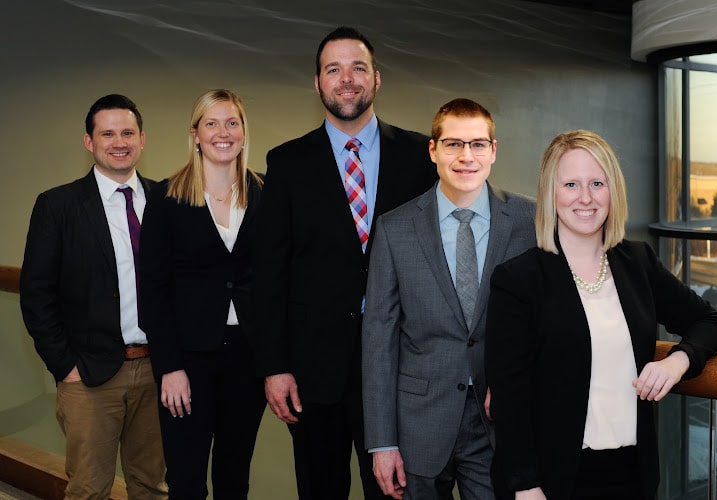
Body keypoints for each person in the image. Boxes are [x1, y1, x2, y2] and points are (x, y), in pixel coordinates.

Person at [485, 129, 717, 500]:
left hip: (633, 475)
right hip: (550, 481)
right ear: (550, 193)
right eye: (571, 184)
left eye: (597, 183)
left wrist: (677, 362)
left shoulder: (637, 261)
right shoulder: (518, 279)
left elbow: (710, 322)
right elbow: (508, 397)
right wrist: (526, 486)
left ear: (613, 191)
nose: (585, 197)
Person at [253, 26, 438, 500]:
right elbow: (270, 273)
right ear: (317, 83)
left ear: (377, 78)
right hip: (315, 370)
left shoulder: (421, 158)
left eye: (358, 67)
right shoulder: (287, 163)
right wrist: (275, 366)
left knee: (397, 492)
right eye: (333, 69)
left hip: (402, 365)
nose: (347, 79)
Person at [361, 98, 537, 500]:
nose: (466, 156)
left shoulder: (530, 222)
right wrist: (382, 443)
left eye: (477, 144)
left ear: (493, 150)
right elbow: (379, 339)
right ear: (433, 150)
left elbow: (543, 321)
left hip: (497, 421)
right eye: (453, 144)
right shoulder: (395, 228)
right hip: (418, 424)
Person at [19, 94, 167, 499]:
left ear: (142, 140)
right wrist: (65, 366)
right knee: (89, 490)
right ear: (89, 142)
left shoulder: (165, 199)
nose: (119, 142)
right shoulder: (58, 205)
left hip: (159, 371)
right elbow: (36, 294)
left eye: (127, 133)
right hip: (89, 376)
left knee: (152, 487)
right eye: (107, 134)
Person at [139, 89, 266, 499]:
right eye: (211, 123)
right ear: (195, 134)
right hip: (187, 361)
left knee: (235, 476)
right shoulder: (166, 197)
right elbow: (152, 290)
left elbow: (278, 279)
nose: (222, 133)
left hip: (248, 357)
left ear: (244, 133)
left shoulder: (266, 193)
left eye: (232, 123)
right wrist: (170, 367)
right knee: (187, 480)